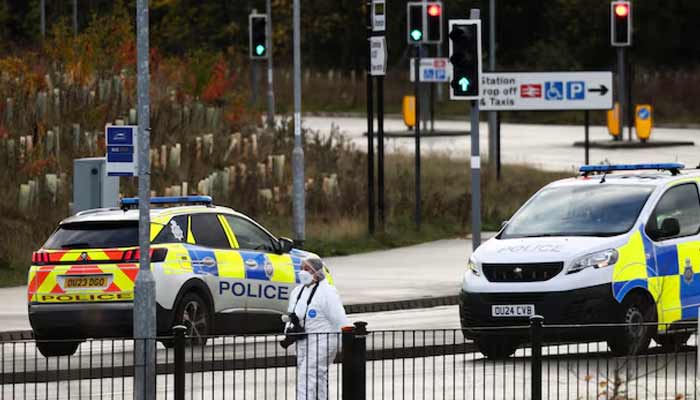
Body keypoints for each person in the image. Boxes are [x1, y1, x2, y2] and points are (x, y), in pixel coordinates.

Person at [284, 258, 349, 400]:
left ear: (317, 272)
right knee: (317, 377)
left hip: (324, 340)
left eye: (307, 269)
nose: (302, 272)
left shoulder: (328, 292)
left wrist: (347, 340)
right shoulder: (297, 291)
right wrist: (289, 329)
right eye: (301, 268)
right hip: (303, 340)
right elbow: (292, 314)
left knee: (306, 375)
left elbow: (339, 318)